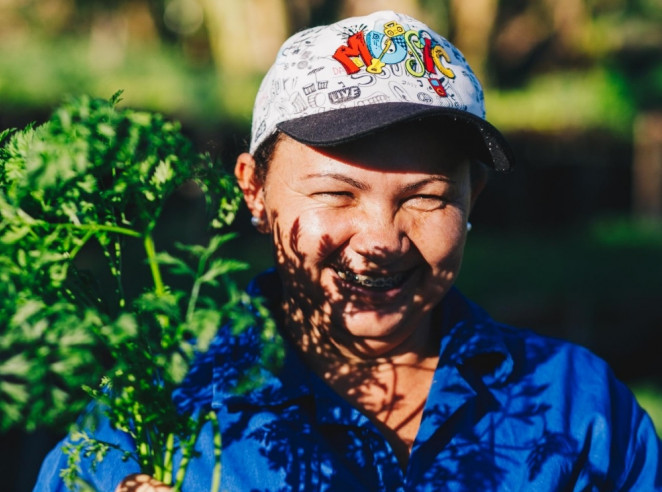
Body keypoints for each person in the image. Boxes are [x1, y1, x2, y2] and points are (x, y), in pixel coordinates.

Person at [34, 10, 661, 491]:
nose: (382, 238)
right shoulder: (155, 410)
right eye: (337, 192)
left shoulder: (581, 408)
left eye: (426, 197)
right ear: (253, 189)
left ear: (476, 197)